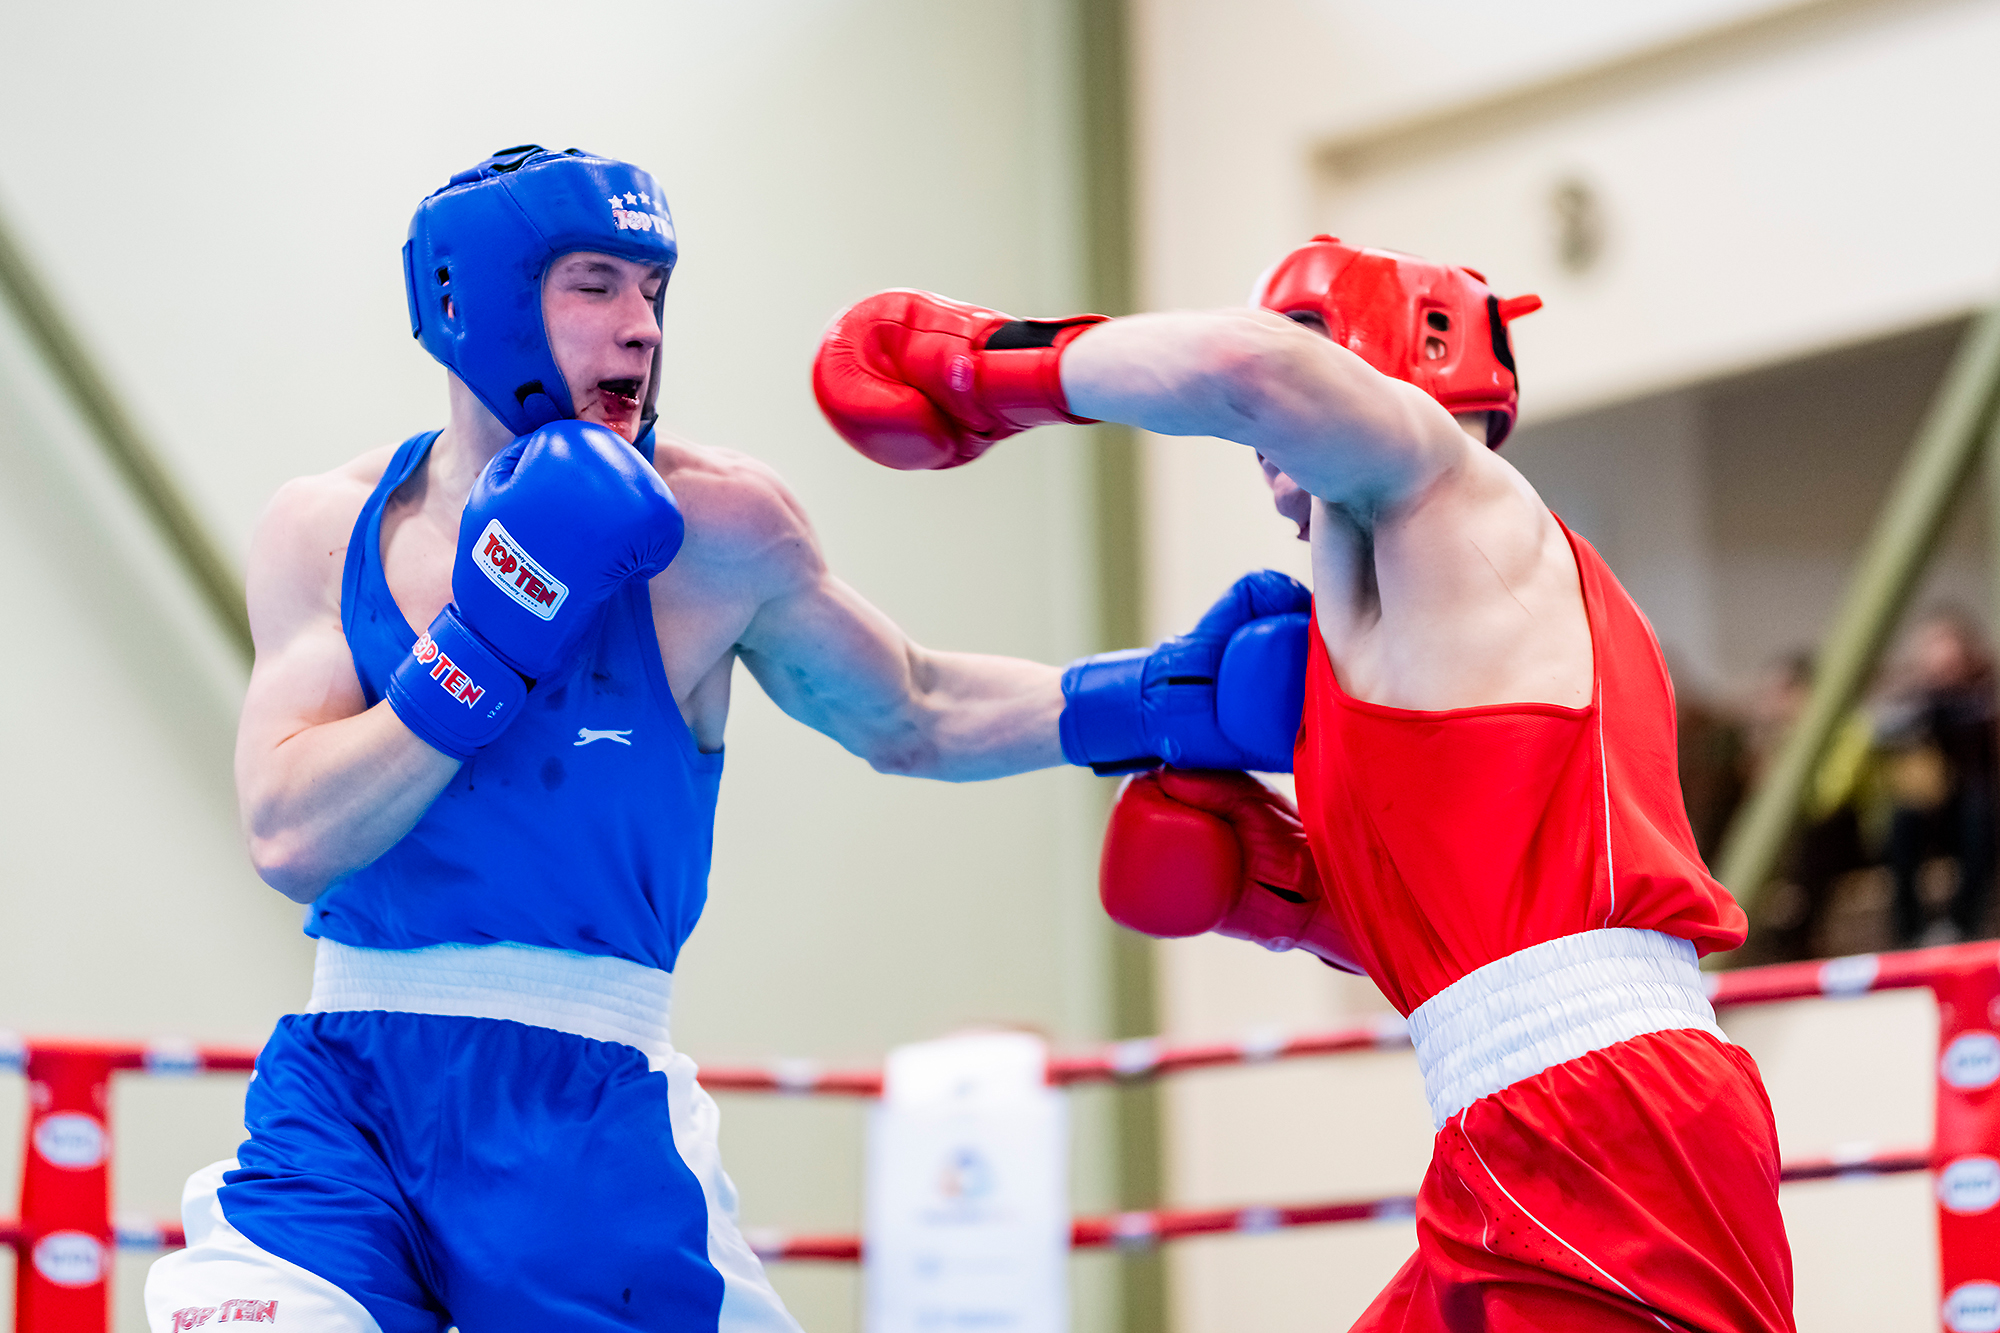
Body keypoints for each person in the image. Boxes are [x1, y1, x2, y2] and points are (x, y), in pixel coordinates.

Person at [144, 145, 1308, 1333]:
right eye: (595, 283)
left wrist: (1153, 699)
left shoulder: (714, 527)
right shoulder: (326, 528)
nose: (641, 326)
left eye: (654, 288)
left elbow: (911, 708)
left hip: (584, 1108)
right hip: (344, 1097)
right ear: (473, 300)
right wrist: (482, 646)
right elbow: (288, 833)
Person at [812, 236, 1795, 1330]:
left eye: (1306, 340)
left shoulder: (1467, 507)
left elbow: (1250, 372)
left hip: (1608, 1121)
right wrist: (1289, 895)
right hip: (1509, 1123)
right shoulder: (1368, 641)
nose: (1256, 442)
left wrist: (991, 366)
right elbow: (930, 722)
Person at [1877, 606, 2000, 945]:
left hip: (1972, 807)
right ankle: (1909, 929)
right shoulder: (1913, 696)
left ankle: (1963, 923)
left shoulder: (1983, 694)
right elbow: (1883, 728)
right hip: (1929, 808)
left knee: (1980, 815)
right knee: (1903, 822)